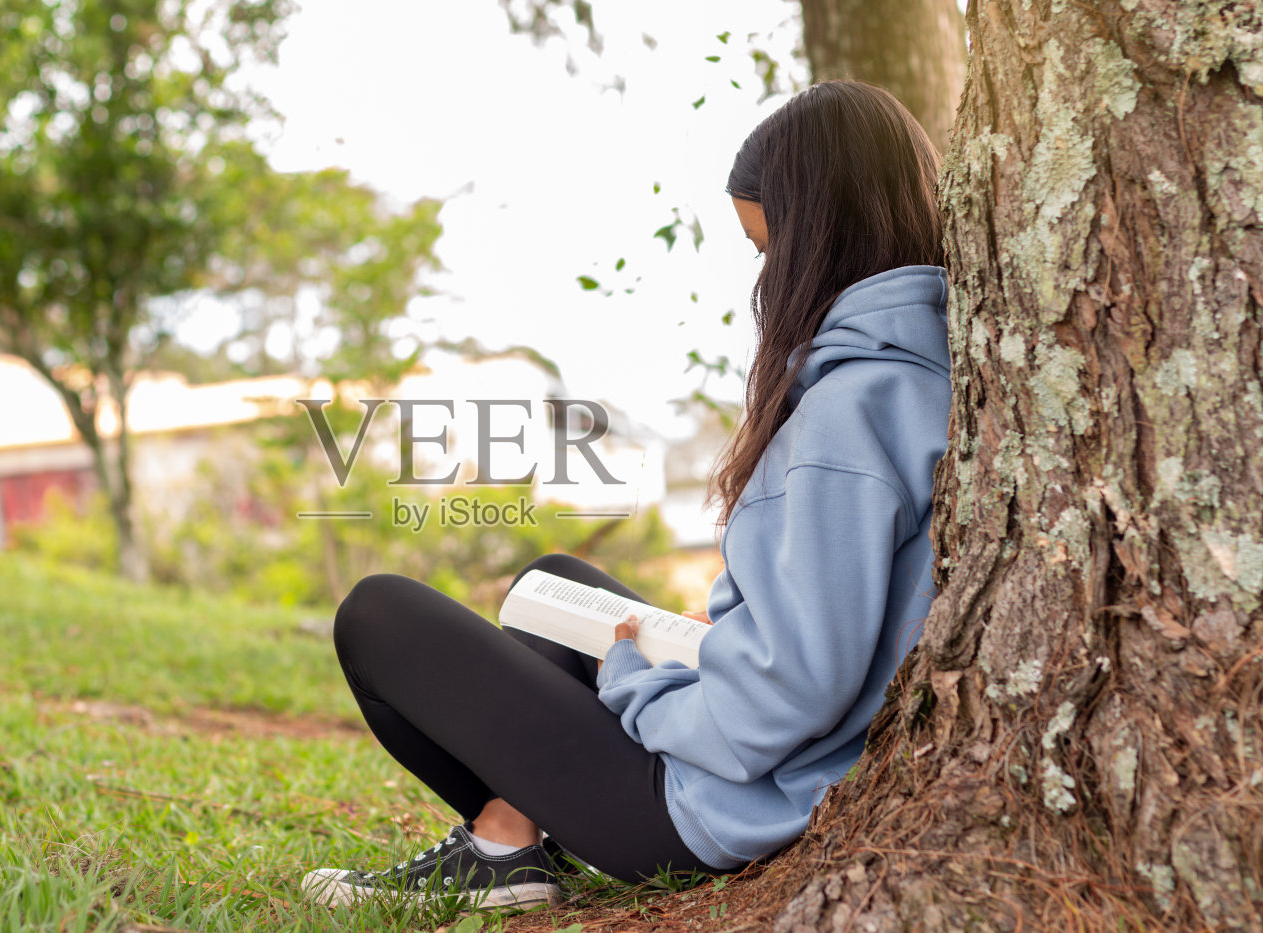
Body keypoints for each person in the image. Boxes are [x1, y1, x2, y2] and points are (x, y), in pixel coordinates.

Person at [301, 79, 952, 910]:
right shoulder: (916, 380)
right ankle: (505, 844)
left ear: (818, 239)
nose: (765, 279)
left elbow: (785, 697)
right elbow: (827, 633)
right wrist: (709, 645)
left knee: (379, 616)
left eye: (767, 251)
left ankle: (502, 850)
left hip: (716, 809)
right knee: (553, 589)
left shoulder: (847, 414)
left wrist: (635, 683)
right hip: (768, 775)